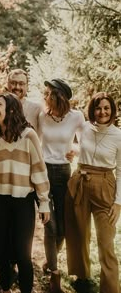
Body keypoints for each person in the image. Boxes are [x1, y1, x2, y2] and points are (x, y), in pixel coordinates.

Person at [0, 92, 50, 293]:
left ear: (11, 109)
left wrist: (43, 202)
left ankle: (27, 289)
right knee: (2, 250)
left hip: (23, 202)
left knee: (22, 254)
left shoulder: (29, 135)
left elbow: (39, 170)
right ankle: (5, 286)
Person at [65, 92, 121, 293]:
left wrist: (118, 202)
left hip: (105, 186)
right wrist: (74, 151)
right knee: (80, 233)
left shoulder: (118, 135)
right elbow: (84, 147)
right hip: (81, 181)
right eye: (98, 108)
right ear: (93, 110)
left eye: (106, 108)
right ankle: (82, 277)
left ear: (112, 110)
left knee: (106, 241)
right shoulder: (85, 127)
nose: (102, 112)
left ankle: (110, 288)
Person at [40, 78, 85, 293]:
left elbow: (86, 143)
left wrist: (74, 150)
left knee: (64, 229)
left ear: (59, 96)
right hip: (43, 172)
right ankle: (55, 275)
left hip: (64, 174)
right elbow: (34, 141)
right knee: (50, 224)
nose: (45, 97)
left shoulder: (76, 117)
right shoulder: (42, 116)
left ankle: (50, 260)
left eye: (49, 93)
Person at [0, 69, 43, 139]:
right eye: (13, 83)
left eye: (21, 84)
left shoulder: (37, 109)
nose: (17, 87)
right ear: (7, 84)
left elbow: (40, 138)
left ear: (27, 86)